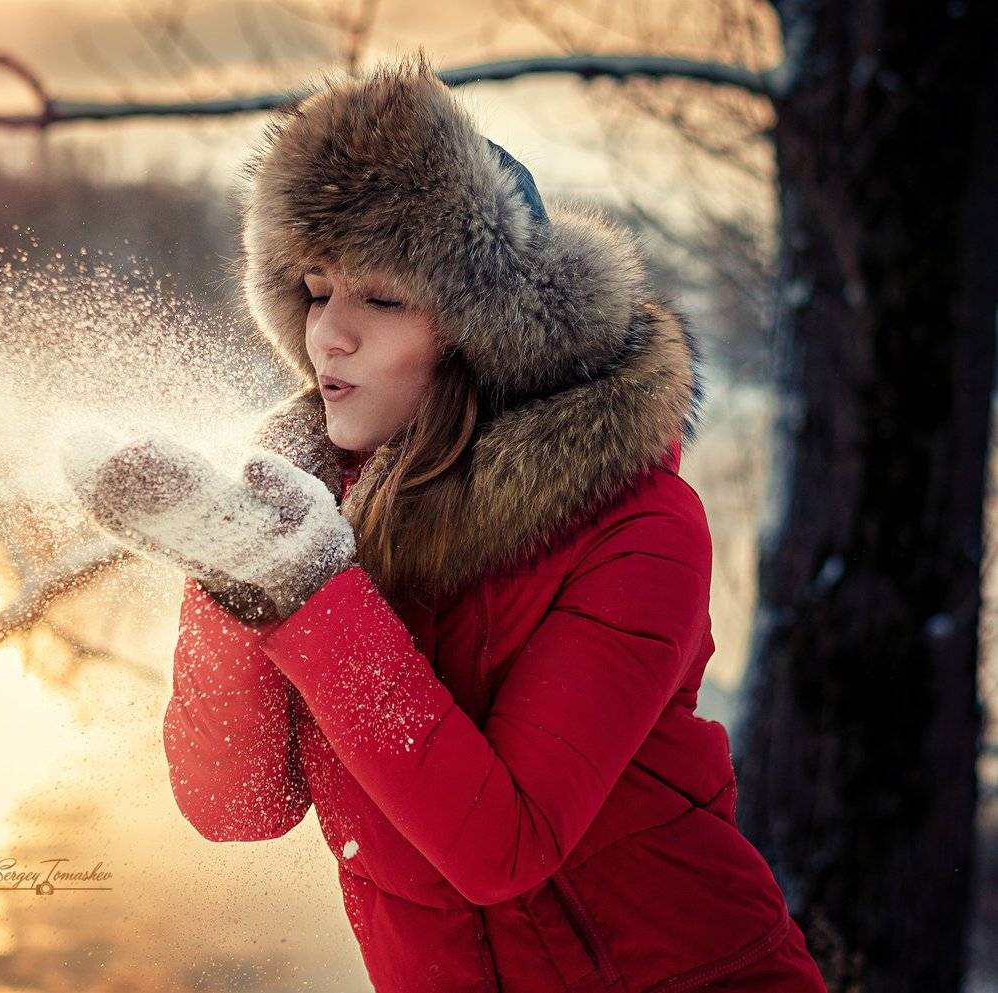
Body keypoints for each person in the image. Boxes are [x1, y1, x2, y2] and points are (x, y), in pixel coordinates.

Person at [61, 51, 828, 993]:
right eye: (316, 290)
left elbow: (504, 847)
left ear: (481, 330)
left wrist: (307, 587)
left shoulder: (639, 526)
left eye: (382, 297)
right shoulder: (317, 515)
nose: (329, 332)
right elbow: (239, 806)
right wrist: (234, 572)